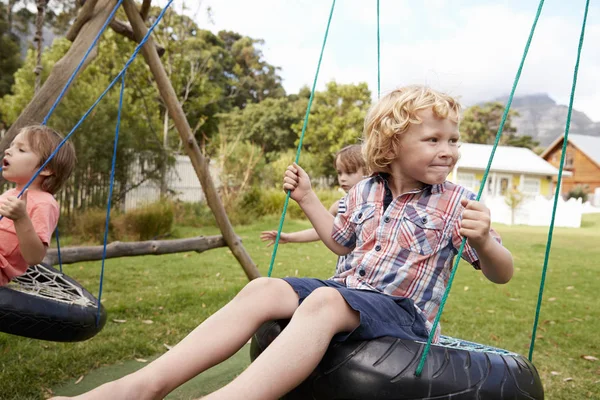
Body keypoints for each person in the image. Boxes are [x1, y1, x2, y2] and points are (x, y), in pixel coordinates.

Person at [50, 85, 513, 400]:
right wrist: (309, 197)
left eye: (453, 139)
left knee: (327, 301)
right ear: (391, 147)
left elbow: (501, 272)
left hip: (402, 313)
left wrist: (487, 242)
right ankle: (144, 385)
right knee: (264, 288)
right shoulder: (366, 191)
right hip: (352, 294)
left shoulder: (458, 202)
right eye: (433, 139)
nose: (448, 149)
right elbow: (340, 243)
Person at [1, 125, 76, 286]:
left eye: (21, 150)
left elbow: (34, 257)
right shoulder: (10, 194)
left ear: (46, 168)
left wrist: (21, 218)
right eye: (11, 145)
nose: (8, 150)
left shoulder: (45, 203)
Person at [260, 144, 366, 247]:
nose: (342, 178)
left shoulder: (377, 204)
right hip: (347, 265)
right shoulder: (339, 206)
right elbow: (322, 230)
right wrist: (289, 237)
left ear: (368, 172)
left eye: (350, 172)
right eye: (339, 172)